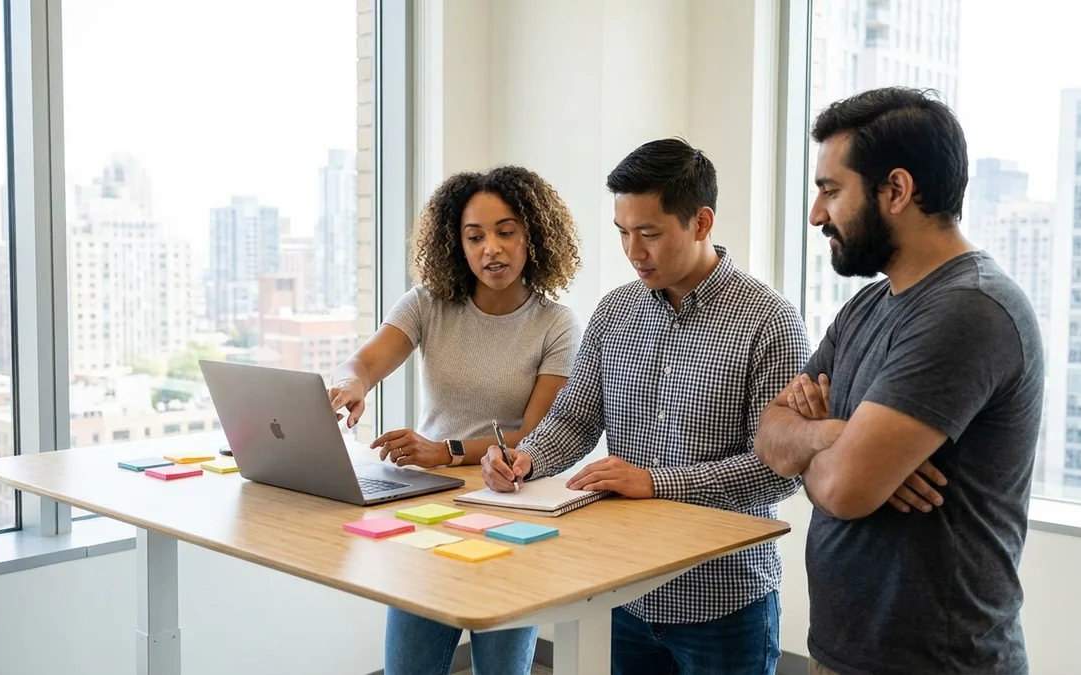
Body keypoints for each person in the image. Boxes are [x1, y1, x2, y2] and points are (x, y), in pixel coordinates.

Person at [481, 138, 811, 675]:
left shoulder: (769, 321)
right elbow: (573, 420)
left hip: (723, 602)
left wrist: (657, 482)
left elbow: (778, 472)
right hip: (623, 593)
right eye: (623, 232)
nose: (633, 252)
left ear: (701, 222)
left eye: (649, 234)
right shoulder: (614, 311)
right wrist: (527, 458)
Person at [753, 87, 1044, 675]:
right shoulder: (867, 306)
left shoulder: (968, 310)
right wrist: (836, 436)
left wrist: (833, 456)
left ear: (896, 190)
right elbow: (769, 436)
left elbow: (845, 490)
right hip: (842, 652)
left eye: (831, 191)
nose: (816, 214)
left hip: (938, 662)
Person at [329, 165, 582, 675]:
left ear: (533, 235)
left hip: (512, 506)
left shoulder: (556, 324)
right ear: (457, 244)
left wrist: (443, 452)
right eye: (475, 236)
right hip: (430, 505)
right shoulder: (427, 304)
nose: (492, 249)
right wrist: (351, 384)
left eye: (506, 232)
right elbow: (364, 363)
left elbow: (534, 435)